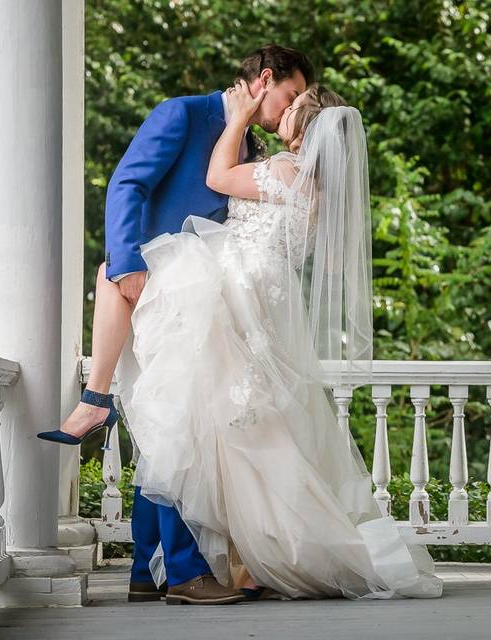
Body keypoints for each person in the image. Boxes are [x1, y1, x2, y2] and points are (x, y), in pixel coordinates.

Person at [121, 81, 443, 600]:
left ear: (305, 127)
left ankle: (172, 567)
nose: (283, 113)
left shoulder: (284, 171)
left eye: (292, 108)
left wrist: (239, 119)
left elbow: (216, 176)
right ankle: (195, 563)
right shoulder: (317, 189)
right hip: (264, 298)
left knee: (187, 423)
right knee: (208, 426)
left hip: (230, 293)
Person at [38, 45, 315, 605]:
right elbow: (128, 185)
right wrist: (128, 264)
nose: (292, 107)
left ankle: (148, 569)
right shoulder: (182, 114)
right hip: (159, 287)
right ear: (265, 79)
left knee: (167, 427)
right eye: (290, 94)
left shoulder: (253, 143)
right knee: (181, 429)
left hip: (206, 300)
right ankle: (187, 573)